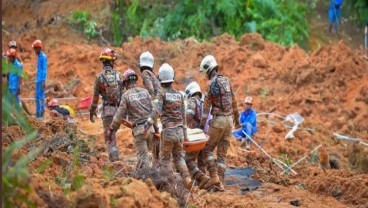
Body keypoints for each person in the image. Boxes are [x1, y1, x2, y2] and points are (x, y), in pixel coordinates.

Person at [198, 55, 240, 191]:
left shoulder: (210, 85)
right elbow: (234, 102)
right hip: (229, 121)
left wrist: (200, 127)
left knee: (207, 149)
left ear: (207, 70)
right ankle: (220, 183)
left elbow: (205, 109)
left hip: (218, 121)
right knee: (222, 153)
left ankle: (214, 178)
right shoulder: (227, 81)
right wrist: (237, 121)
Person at [154, 63, 193, 190]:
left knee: (165, 160)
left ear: (160, 78)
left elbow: (156, 111)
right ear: (172, 77)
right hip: (180, 132)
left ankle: (169, 185)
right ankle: (187, 178)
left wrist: (148, 123)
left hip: (168, 132)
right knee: (179, 158)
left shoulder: (161, 93)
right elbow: (183, 116)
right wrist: (185, 135)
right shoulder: (179, 95)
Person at [108, 69, 155, 169]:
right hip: (150, 130)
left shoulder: (126, 96)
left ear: (125, 83)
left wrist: (111, 129)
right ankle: (139, 174)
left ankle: (148, 181)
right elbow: (154, 110)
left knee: (143, 158)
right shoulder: (145, 92)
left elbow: (119, 115)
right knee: (145, 156)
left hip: (140, 131)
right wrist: (155, 128)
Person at [89, 48, 123, 162]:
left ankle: (115, 161)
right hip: (119, 112)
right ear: (112, 61)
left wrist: (92, 111)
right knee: (113, 134)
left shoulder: (99, 78)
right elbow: (123, 94)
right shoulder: (119, 75)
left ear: (103, 61)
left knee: (109, 137)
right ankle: (116, 158)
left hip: (107, 111)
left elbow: (95, 97)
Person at [184, 81, 210, 188]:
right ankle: (204, 185)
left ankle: (202, 177)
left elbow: (188, 116)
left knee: (188, 160)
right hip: (203, 135)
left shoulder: (192, 100)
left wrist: (182, 125)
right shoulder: (204, 103)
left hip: (194, 135)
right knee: (201, 161)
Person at [139, 51, 162, 160]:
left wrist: (150, 104)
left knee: (153, 130)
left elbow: (150, 90)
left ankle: (154, 158)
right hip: (161, 104)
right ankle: (157, 158)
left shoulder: (145, 73)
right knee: (156, 132)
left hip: (156, 103)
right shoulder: (153, 74)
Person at [32, 40, 48, 120]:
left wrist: (44, 81)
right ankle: (37, 113)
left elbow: (44, 69)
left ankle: (41, 114)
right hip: (38, 80)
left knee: (41, 97)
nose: (34, 50)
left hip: (41, 80)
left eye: (35, 49)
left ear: (39, 48)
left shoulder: (43, 57)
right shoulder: (39, 56)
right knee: (37, 97)